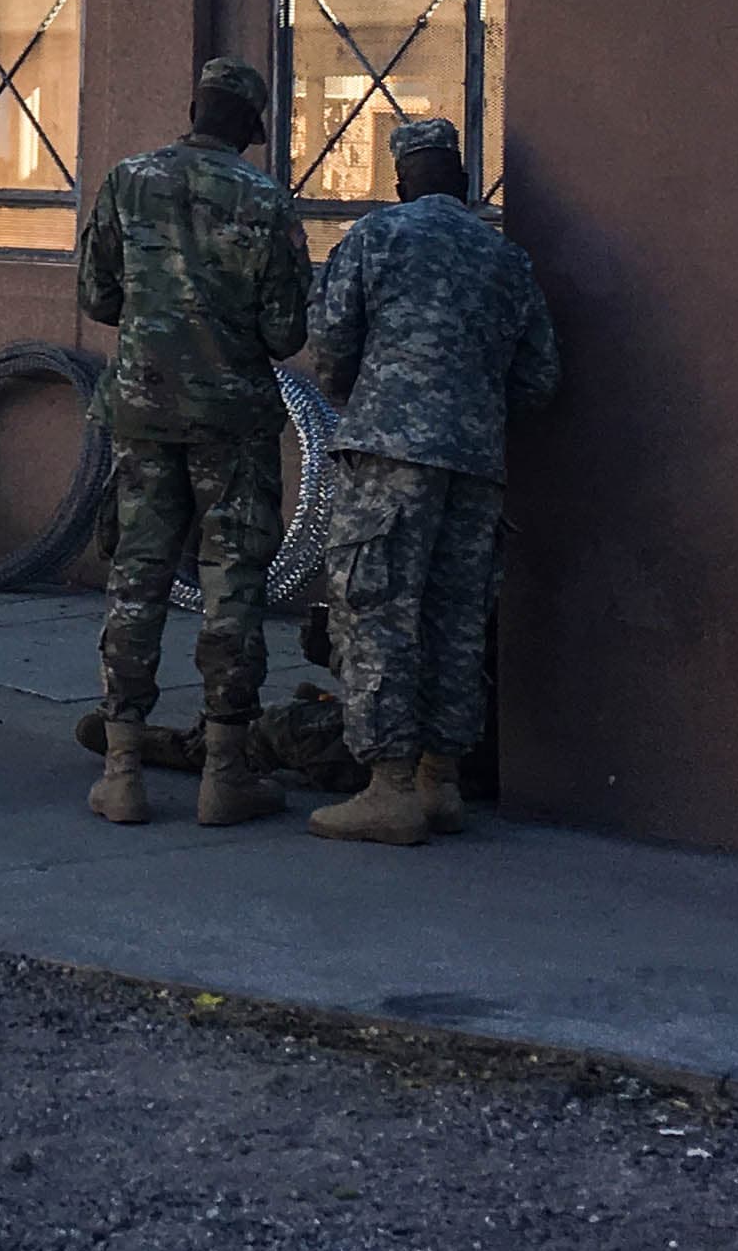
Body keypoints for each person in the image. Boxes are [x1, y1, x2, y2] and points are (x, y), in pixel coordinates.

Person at [296, 115, 560, 845]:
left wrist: (370, 396)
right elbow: (540, 378)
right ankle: (439, 782)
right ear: (465, 182)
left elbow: (331, 344)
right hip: (476, 466)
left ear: (401, 179)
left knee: (377, 611)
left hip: (389, 456)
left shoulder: (377, 237)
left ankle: (386, 788)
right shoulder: (507, 261)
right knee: (454, 618)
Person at [76, 55, 313, 829]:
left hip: (142, 414)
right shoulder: (265, 200)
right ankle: (222, 772)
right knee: (232, 587)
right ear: (249, 126)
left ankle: (120, 773)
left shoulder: (127, 178)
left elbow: (97, 296)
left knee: (136, 581)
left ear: (193, 109)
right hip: (232, 420)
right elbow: (284, 330)